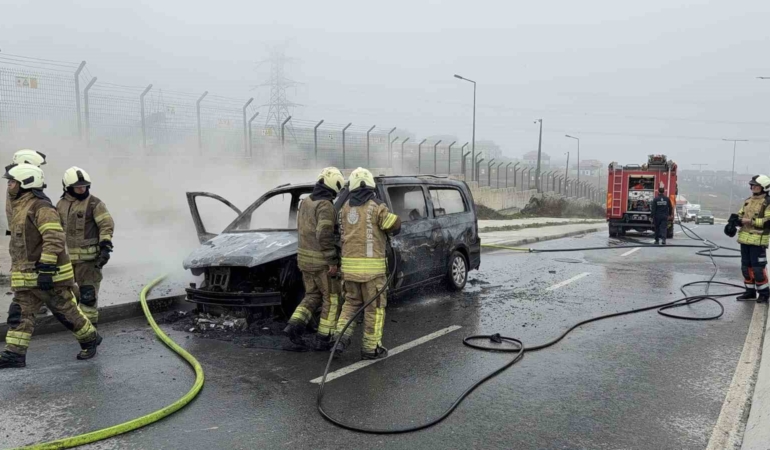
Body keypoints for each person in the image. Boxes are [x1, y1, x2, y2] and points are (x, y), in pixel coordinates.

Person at [0, 164, 101, 369]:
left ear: (26, 183)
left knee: (67, 313)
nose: (9, 185)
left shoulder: (41, 207)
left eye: (12, 181)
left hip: (48, 277)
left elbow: (53, 238)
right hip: (27, 277)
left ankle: (90, 339)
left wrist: (46, 268)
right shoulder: (20, 206)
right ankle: (14, 354)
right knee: (19, 313)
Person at [332, 167, 401, 360]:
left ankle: (338, 340)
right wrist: (397, 221)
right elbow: (392, 224)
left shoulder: (344, 209)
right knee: (374, 309)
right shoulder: (376, 206)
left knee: (350, 305)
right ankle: (371, 349)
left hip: (349, 272)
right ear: (370, 185)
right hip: (372, 274)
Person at [283, 167, 344, 350]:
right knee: (332, 299)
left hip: (304, 260)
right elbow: (324, 235)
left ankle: (294, 327)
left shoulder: (306, 201)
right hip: (321, 262)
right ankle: (324, 338)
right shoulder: (325, 205)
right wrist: (332, 261)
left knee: (312, 295)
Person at [56, 167, 115, 326]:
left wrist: (105, 246)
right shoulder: (60, 205)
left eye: (84, 186)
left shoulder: (94, 203)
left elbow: (106, 225)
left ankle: (90, 330)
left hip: (89, 262)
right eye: (78, 187)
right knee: (64, 294)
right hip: (66, 261)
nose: (82, 189)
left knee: (88, 297)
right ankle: (78, 325)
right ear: (68, 187)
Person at [735, 175, 770, 303]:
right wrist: (734, 221)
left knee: (757, 269)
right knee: (746, 268)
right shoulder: (748, 201)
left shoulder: (767, 202)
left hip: (758, 241)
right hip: (744, 240)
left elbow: (768, 222)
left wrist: (750, 221)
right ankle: (750, 292)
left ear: (764, 187)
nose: (753, 187)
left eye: (756, 185)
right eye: (752, 185)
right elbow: (740, 215)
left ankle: (764, 294)